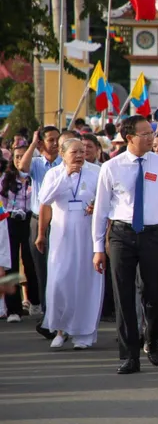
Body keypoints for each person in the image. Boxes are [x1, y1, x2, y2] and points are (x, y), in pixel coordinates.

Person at [92, 115, 158, 374]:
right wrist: (98, 248)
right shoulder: (112, 167)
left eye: (151, 132)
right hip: (122, 235)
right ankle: (129, 355)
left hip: (154, 235)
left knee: (155, 294)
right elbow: (100, 211)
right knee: (124, 297)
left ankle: (153, 338)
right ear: (129, 137)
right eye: (144, 133)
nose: (151, 137)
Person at [37, 138, 103, 349]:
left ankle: (83, 334)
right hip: (61, 238)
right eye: (74, 152)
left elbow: (106, 200)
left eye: (82, 152)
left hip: (87, 236)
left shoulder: (95, 172)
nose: (80, 156)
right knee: (59, 283)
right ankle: (60, 330)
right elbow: (45, 198)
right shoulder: (54, 174)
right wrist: (66, 175)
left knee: (84, 283)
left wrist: (96, 207)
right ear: (63, 154)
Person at [18, 126, 62, 336]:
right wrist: (33, 144)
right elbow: (21, 168)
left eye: (57, 139)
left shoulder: (64, 163)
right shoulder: (36, 163)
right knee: (41, 270)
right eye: (50, 140)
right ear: (42, 143)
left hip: (60, 222)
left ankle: (61, 316)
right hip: (38, 221)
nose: (54, 143)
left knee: (60, 269)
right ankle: (48, 316)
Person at [0, 144, 35, 322]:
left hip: (31, 220)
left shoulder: (34, 176)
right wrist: (10, 211)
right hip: (11, 220)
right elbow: (1, 201)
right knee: (11, 262)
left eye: (23, 156)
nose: (20, 160)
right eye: (17, 157)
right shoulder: (6, 178)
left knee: (31, 260)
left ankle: (35, 301)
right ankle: (13, 309)